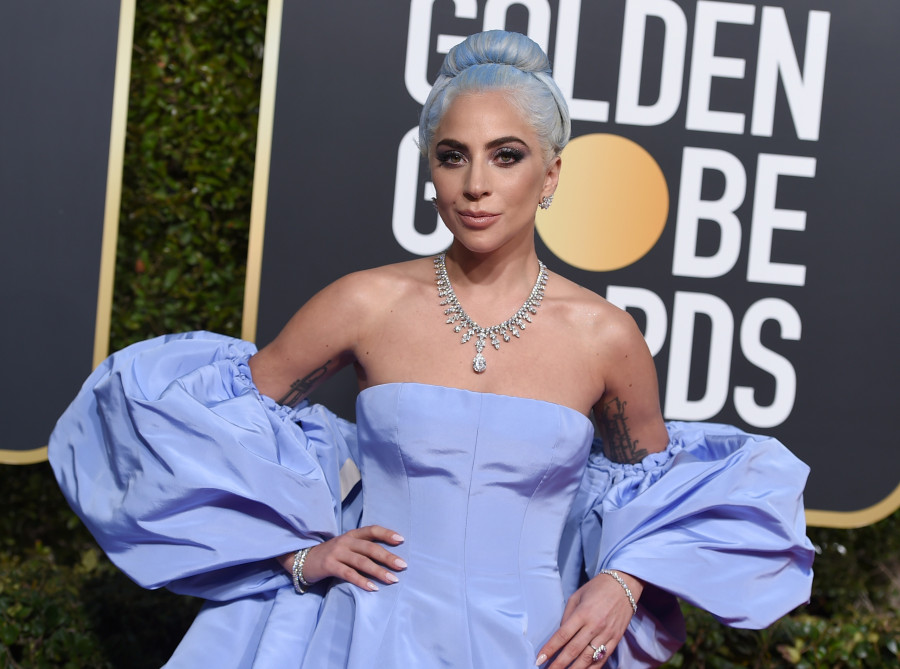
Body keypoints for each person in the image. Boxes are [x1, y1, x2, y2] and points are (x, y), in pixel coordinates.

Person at [49, 30, 813, 669]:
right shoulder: (365, 302)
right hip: (367, 635)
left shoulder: (605, 337)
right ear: (430, 169)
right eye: (453, 156)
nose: (476, 184)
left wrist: (622, 579)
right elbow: (199, 422)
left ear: (551, 176)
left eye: (506, 156)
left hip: (537, 645)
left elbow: (661, 496)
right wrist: (297, 556)